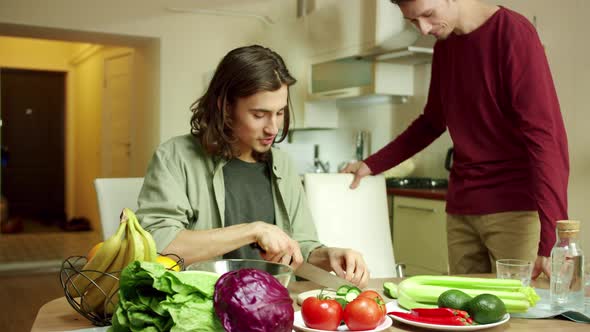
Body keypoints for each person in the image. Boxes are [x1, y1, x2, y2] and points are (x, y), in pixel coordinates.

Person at [342, 0, 568, 279]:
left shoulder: (513, 33)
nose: (423, 29)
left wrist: (552, 240)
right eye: (413, 21)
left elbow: (545, 138)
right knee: (463, 313)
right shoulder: (445, 46)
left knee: (519, 316)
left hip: (514, 211)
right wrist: (371, 164)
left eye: (427, 15)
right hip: (461, 210)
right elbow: (431, 122)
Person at [137, 45, 369, 287]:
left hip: (271, 304)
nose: (273, 128)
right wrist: (253, 230)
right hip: (203, 307)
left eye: (280, 112)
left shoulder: (283, 164)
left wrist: (328, 255)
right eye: (259, 115)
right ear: (225, 107)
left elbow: (299, 246)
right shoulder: (175, 157)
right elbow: (158, 245)